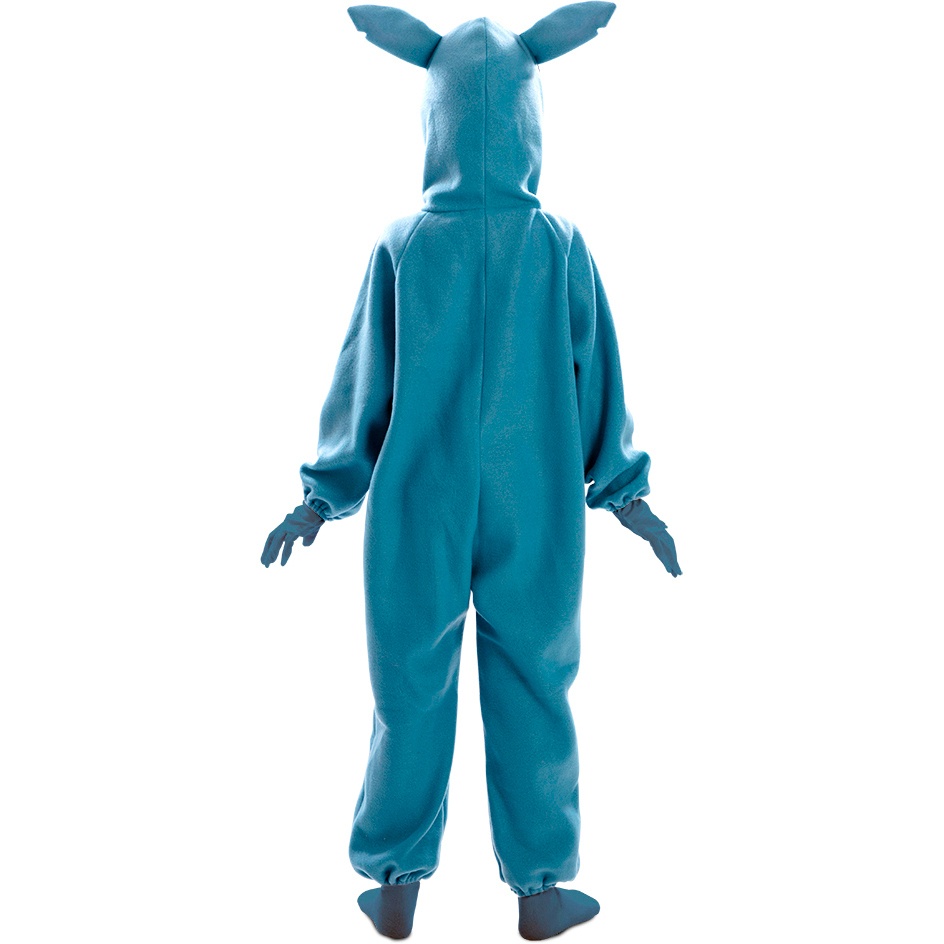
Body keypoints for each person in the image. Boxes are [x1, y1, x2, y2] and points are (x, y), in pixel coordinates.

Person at [261, 4, 681, 939]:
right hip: (537, 503)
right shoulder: (559, 244)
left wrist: (320, 498)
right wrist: (629, 495)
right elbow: (598, 375)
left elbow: (363, 384)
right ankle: (539, 891)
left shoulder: (405, 243)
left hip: (419, 500)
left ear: (436, 117)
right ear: (531, 117)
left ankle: (396, 885)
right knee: (536, 683)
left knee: (408, 686)